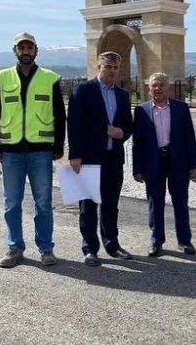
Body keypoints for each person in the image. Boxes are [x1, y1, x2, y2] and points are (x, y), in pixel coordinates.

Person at [0, 32, 66, 268]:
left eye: (29, 48)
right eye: (21, 48)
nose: (25, 52)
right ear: (15, 51)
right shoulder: (2, 79)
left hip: (41, 151)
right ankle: (15, 248)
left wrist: (58, 146)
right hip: (10, 152)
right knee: (12, 203)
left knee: (43, 203)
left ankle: (46, 248)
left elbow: (60, 115)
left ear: (36, 50)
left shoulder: (49, 79)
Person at [67, 51, 133, 267]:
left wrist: (122, 133)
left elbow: (128, 125)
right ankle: (90, 249)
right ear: (99, 68)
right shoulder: (83, 90)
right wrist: (75, 155)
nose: (112, 71)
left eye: (115, 67)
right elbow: (73, 124)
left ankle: (112, 245)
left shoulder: (122, 95)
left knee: (111, 205)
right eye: (108, 67)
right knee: (88, 206)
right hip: (88, 158)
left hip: (114, 158)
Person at [132, 73, 196, 257]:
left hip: (177, 160)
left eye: (162, 85)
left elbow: (189, 137)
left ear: (168, 87)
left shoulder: (181, 108)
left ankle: (184, 240)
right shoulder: (141, 111)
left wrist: (194, 163)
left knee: (180, 201)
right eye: (154, 85)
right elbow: (137, 142)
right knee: (155, 202)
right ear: (148, 89)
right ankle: (156, 241)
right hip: (153, 161)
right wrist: (137, 168)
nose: (158, 88)